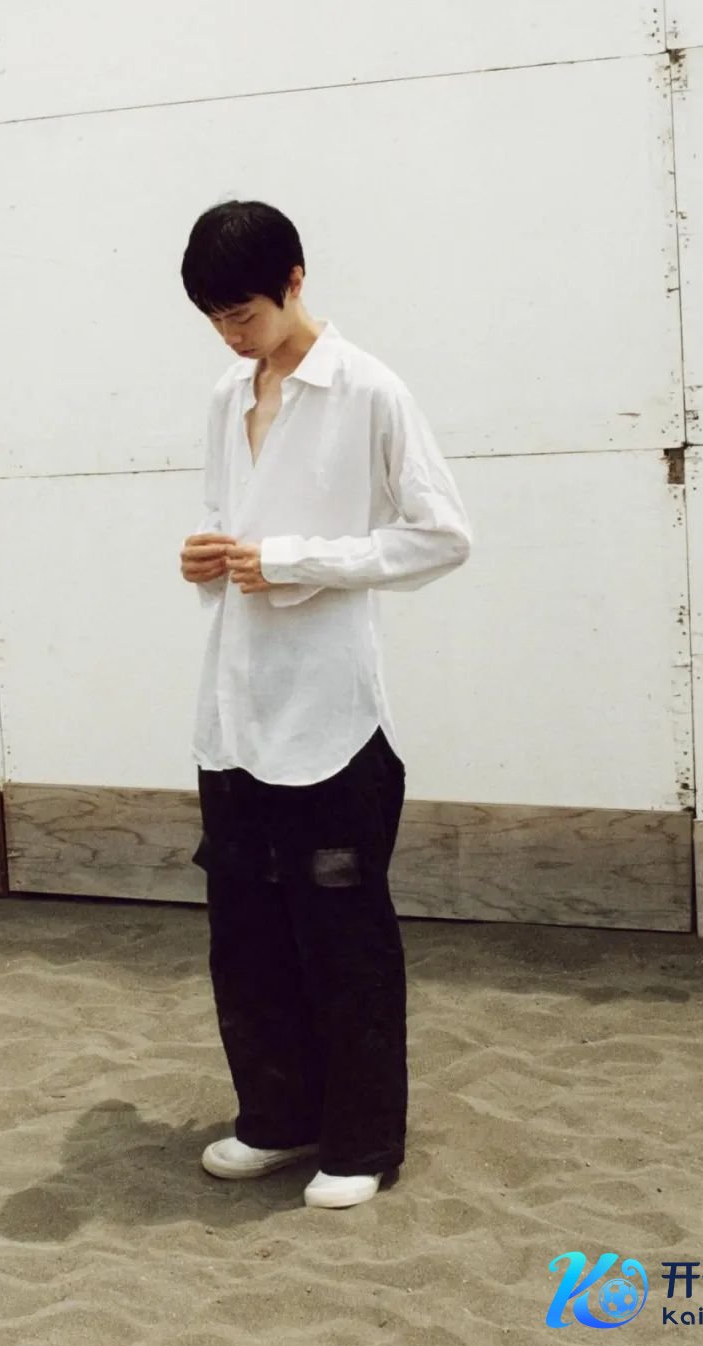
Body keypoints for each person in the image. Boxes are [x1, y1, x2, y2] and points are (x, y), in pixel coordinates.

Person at [178, 200, 472, 1209]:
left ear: (295, 280)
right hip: (234, 708)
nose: (231, 333)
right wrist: (206, 558)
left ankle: (363, 1142)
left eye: (245, 312)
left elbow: (442, 537)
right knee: (245, 936)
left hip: (331, 718)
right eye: (215, 317)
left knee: (343, 939)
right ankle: (277, 1119)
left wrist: (295, 560)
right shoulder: (228, 395)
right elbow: (232, 527)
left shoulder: (368, 390)